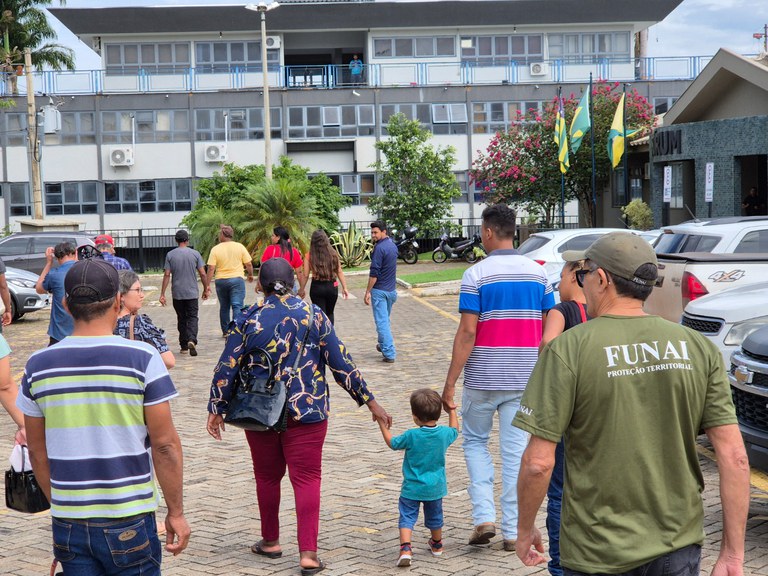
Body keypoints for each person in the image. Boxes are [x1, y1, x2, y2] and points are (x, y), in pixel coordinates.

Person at [513, 231, 750, 575]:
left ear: (602, 279)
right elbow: (735, 457)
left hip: (595, 550)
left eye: (584, 275)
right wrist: (732, 554)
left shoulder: (568, 349)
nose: (583, 284)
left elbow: (537, 463)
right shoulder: (697, 347)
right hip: (676, 545)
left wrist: (524, 528)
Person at [207, 257, 392, 576]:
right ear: (294, 282)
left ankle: (271, 541)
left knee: (266, 477)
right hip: (308, 410)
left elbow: (227, 366)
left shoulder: (248, 318)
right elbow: (340, 363)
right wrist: (370, 401)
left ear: (258, 285)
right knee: (307, 478)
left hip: (259, 410)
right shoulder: (314, 314)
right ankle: (308, 554)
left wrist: (217, 407)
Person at [18, 258, 191, 575]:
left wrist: (61, 505)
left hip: (69, 519)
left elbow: (37, 450)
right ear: (116, 302)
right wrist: (176, 512)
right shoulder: (142, 359)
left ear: (66, 306)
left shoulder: (37, 365)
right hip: (129, 516)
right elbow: (165, 445)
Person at [441, 203, 554, 551]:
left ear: (488, 232)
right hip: (524, 379)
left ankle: (483, 516)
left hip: (482, 378)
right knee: (515, 452)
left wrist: (449, 383)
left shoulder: (475, 275)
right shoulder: (539, 274)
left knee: (475, 443)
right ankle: (510, 531)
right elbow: (551, 322)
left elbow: (467, 334)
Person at [537, 260, 590, 576]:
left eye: (561, 277)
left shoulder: (562, 310)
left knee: (558, 490)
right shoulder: (602, 313)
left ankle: (559, 563)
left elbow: (548, 343)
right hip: (596, 410)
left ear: (575, 277)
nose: (559, 283)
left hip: (565, 410)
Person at [377, 388, 458, 567]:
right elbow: (455, 430)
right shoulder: (444, 433)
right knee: (435, 515)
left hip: (411, 488)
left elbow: (392, 443)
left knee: (407, 516)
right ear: (438, 414)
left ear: (415, 416)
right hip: (435, 487)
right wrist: (452, 410)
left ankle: (405, 549)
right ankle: (437, 545)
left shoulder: (411, 435)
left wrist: (382, 424)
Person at [160, 230, 210, 356]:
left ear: (176, 240)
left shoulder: (170, 255)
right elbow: (203, 273)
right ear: (187, 240)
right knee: (193, 317)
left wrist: (162, 294)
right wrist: (206, 288)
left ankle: (183, 346)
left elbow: (167, 274)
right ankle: (192, 339)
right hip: (192, 292)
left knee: (181, 318)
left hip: (177, 293)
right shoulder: (195, 254)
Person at [115, 270, 175, 370]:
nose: (142, 295)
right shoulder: (140, 323)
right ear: (121, 296)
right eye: (137, 290)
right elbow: (169, 361)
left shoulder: (101, 323)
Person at [206, 224, 254, 336]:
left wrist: (207, 284)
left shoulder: (215, 249)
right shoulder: (240, 247)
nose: (218, 236)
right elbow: (248, 263)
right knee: (237, 305)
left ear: (223, 234)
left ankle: (226, 331)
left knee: (224, 306)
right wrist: (250, 274)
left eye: (219, 233)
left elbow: (211, 268)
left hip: (221, 281)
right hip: (237, 280)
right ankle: (236, 330)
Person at [364, 220, 399, 363]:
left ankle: (389, 353)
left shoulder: (379, 248)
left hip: (380, 292)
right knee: (384, 321)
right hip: (391, 292)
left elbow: (374, 273)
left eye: (375, 232)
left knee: (382, 323)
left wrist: (367, 291)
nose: (373, 235)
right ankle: (383, 345)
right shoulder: (393, 246)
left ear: (384, 231)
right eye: (372, 232)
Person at [299, 229, 349, 324]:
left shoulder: (309, 256)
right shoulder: (333, 253)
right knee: (330, 313)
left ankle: (322, 336)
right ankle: (330, 335)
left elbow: (305, 275)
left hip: (317, 287)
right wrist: (345, 287)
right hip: (332, 286)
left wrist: (301, 289)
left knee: (320, 315)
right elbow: (339, 271)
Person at [35, 242, 77, 345]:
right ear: (75, 252)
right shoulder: (85, 270)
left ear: (57, 257)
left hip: (59, 332)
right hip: (82, 330)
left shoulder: (54, 274)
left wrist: (49, 263)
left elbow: (39, 288)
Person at [261, 226, 304, 293]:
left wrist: (259, 284)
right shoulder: (293, 251)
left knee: (272, 303)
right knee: (289, 303)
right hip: (289, 286)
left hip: (272, 286)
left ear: (278, 237)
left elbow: (263, 269)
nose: (271, 238)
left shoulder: (270, 249)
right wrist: (302, 288)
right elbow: (299, 272)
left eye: (273, 236)